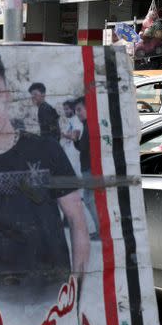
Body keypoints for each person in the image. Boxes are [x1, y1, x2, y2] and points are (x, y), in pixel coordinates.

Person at [0, 47, 90, 305]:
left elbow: (77, 220)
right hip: (2, 300)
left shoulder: (46, 149)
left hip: (57, 294)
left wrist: (77, 289)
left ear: (7, 95)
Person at [73, 97, 100, 241]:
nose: (77, 113)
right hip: (89, 167)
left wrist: (75, 138)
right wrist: (76, 140)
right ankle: (99, 230)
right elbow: (82, 147)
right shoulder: (87, 124)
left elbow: (83, 148)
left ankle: (100, 231)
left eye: (79, 109)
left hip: (90, 168)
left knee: (90, 200)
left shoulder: (89, 125)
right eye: (76, 111)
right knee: (91, 199)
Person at [60, 100, 83, 177]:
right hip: (69, 155)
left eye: (67, 109)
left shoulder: (77, 120)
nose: (65, 111)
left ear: (73, 109)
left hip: (75, 156)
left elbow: (75, 137)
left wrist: (64, 135)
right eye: (64, 109)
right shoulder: (70, 121)